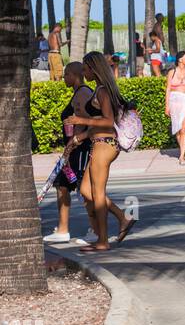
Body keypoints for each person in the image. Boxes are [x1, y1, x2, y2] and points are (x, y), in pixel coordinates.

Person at [70, 51, 137, 251]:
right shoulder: (100, 90)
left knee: (97, 193)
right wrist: (79, 137)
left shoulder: (102, 91)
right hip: (98, 142)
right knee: (85, 190)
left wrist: (81, 120)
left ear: (93, 68)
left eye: (85, 68)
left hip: (105, 144)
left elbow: (108, 121)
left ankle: (103, 241)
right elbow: (99, 121)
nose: (83, 72)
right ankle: (122, 218)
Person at [44, 62, 93, 244]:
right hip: (72, 148)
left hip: (80, 148)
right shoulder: (78, 93)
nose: (64, 78)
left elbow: (87, 120)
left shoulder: (83, 93)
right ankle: (63, 229)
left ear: (74, 75)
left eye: (66, 75)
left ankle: (96, 229)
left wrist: (75, 141)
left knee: (84, 188)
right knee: (62, 185)